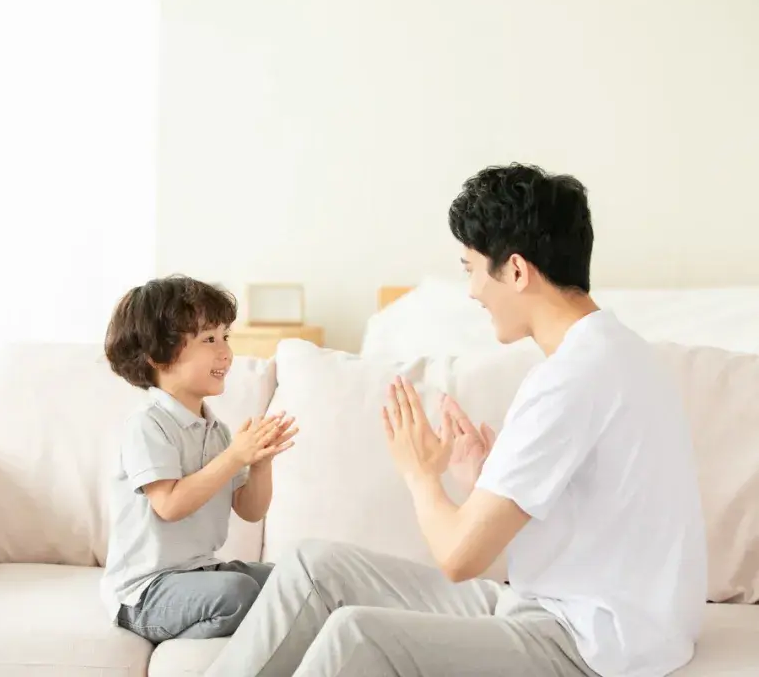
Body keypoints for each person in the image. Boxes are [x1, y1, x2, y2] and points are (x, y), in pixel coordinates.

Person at [203, 164, 707, 677]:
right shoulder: (615, 351)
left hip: (591, 643)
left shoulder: (571, 379)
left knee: (358, 635)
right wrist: (485, 479)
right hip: (573, 610)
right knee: (312, 568)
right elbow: (595, 509)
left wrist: (421, 472)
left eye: (471, 268)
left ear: (516, 270)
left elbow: (459, 556)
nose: (472, 291)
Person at [100, 275, 298, 643]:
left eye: (226, 337)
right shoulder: (148, 425)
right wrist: (235, 456)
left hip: (199, 572)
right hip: (146, 592)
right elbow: (170, 505)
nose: (226, 352)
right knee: (238, 592)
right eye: (209, 339)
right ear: (158, 355)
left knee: (290, 580)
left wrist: (260, 462)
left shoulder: (216, 430)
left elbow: (250, 510)